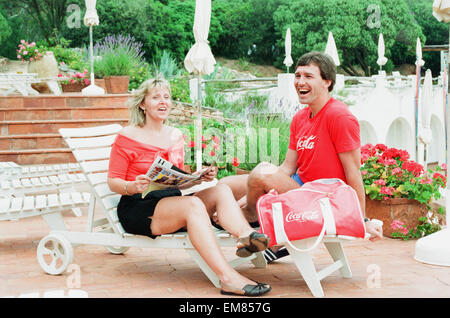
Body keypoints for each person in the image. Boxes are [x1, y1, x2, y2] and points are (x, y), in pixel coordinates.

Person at [107, 76, 271, 296]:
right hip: (139, 206)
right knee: (193, 204)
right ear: (143, 104)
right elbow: (113, 181)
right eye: (156, 97)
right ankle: (228, 278)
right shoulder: (127, 135)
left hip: (172, 201)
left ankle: (247, 236)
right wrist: (131, 185)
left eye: (167, 97)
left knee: (221, 189)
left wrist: (198, 177)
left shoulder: (175, 136)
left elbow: (176, 179)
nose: (163, 102)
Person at [219, 51, 383, 263]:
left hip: (323, 198)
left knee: (261, 172)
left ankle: (250, 218)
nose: (300, 82)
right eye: (297, 76)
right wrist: (253, 188)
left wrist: (362, 219)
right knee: (225, 185)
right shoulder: (300, 118)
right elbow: (288, 167)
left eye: (308, 76)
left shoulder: (339, 116)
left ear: (327, 81)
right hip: (299, 187)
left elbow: (353, 173)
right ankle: (250, 221)